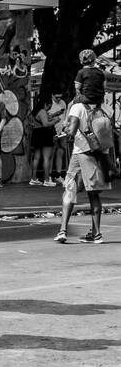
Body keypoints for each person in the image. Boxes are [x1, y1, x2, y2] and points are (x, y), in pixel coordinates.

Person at [55, 71, 113, 243]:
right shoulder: (106, 108)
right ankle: (96, 234)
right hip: (101, 154)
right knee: (94, 196)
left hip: (81, 153)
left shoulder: (77, 107)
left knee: (70, 188)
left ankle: (63, 231)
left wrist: (64, 130)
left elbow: (71, 132)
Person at [28, 93, 57, 186]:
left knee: (36, 158)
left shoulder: (36, 111)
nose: (49, 108)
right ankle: (47, 179)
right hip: (44, 134)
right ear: (46, 104)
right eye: (49, 106)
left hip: (36, 134)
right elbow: (45, 124)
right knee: (46, 158)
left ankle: (33, 178)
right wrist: (55, 121)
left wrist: (52, 116)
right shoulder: (43, 111)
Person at [47, 90, 70, 185]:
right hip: (52, 131)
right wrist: (56, 114)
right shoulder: (48, 104)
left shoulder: (63, 103)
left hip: (62, 131)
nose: (59, 99)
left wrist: (65, 128)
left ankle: (58, 175)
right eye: (57, 97)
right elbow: (46, 118)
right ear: (52, 95)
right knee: (51, 154)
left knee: (60, 152)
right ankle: (48, 176)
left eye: (60, 97)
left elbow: (65, 117)